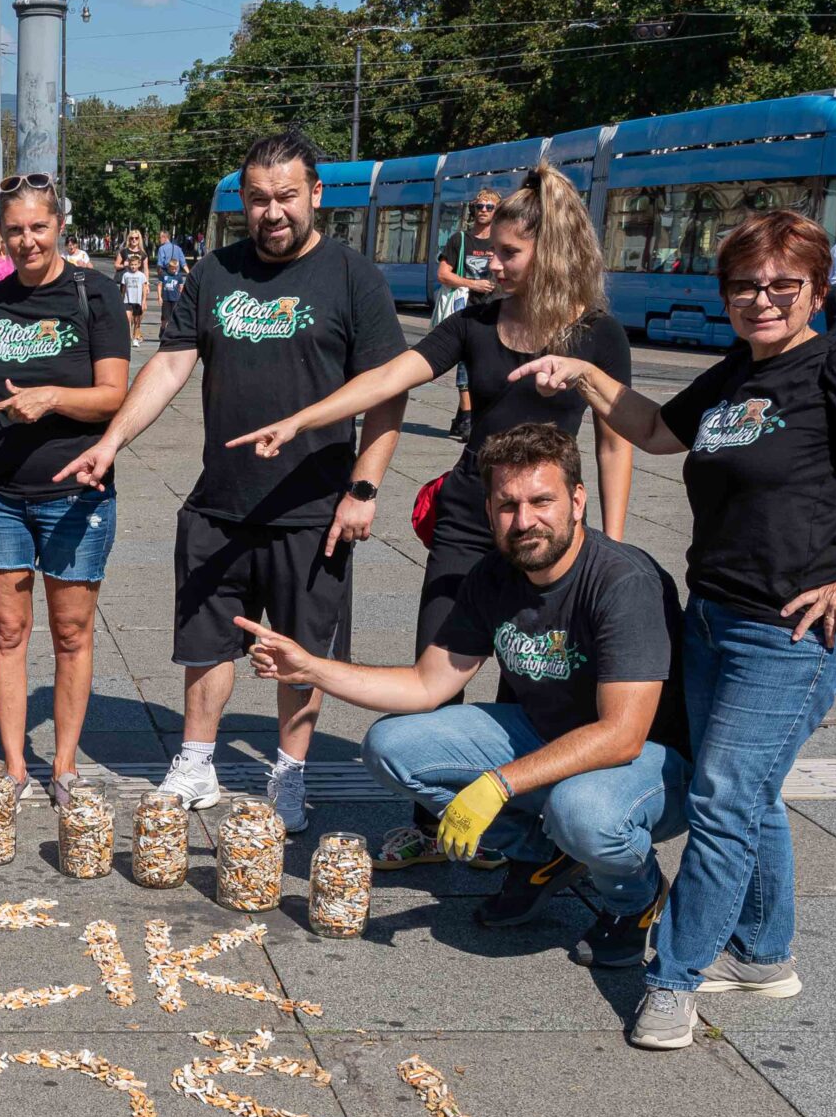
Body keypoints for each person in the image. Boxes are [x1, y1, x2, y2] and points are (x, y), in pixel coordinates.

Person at [512, 208, 836, 1049]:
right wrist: (581, 373)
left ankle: (675, 976)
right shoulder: (734, 373)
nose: (762, 299)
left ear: (818, 291)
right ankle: (763, 951)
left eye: (782, 285)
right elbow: (651, 431)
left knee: (723, 798)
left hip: (787, 633)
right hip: (714, 618)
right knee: (749, 795)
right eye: (745, 285)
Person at [227, 165, 634, 849]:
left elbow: (616, 444)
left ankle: (515, 826)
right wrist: (304, 418)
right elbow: (393, 376)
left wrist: (610, 549)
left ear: (552, 251)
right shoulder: (475, 324)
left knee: (535, 677)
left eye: (508, 252)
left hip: (549, 527)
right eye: (490, 250)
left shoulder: (597, 335)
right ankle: (428, 820)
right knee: (438, 667)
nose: (489, 263)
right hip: (470, 515)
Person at [239, 423, 688, 966]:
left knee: (582, 810)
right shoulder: (495, 574)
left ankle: (636, 900)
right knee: (390, 745)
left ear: (577, 499)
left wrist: (498, 784)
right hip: (554, 737)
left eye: (541, 502)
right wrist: (311, 667)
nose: (524, 522)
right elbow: (428, 684)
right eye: (507, 505)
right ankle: (542, 854)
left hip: (653, 764)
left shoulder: (621, 581)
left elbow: (622, 735)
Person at [59, 130, 408, 824]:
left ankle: (289, 773)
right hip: (221, 501)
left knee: (299, 655)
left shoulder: (351, 276)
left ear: (315, 194)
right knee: (205, 644)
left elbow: (388, 388)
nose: (271, 211)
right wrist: (114, 439)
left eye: (285, 196)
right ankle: (195, 761)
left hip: (313, 508)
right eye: (257, 199)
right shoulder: (215, 273)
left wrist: (364, 487)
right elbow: (169, 364)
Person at [0, 175, 131, 806]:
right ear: (0, 235)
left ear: (59, 226)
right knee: (6, 630)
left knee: (70, 633)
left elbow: (116, 396)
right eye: (14, 230)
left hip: (75, 492)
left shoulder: (97, 294)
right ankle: (12, 766)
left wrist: (52, 397)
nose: (27, 240)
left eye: (38, 227)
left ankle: (62, 765)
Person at [434, 189, 502, 440]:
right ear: (472, 210)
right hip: (466, 310)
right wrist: (473, 284)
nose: (483, 210)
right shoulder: (460, 240)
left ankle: (463, 415)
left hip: (496, 309)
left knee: (486, 365)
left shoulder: (501, 240)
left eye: (489, 206)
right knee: (465, 362)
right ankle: (468, 419)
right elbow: (443, 274)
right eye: (479, 206)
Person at [154, 228, 188, 318]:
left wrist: (159, 275)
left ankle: (165, 321)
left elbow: (160, 264)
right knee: (176, 297)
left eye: (159, 237)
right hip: (176, 276)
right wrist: (189, 274)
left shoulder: (162, 248)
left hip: (166, 274)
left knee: (166, 300)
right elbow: (183, 263)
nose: (159, 239)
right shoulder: (178, 248)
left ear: (164, 237)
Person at [119, 252, 148, 331]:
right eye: (132, 264)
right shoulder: (125, 275)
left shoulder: (141, 275)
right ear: (129, 264)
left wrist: (144, 300)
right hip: (127, 300)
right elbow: (123, 288)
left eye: (135, 265)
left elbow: (144, 288)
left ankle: (136, 335)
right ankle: (129, 338)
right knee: (128, 319)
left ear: (139, 265)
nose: (133, 266)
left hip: (137, 301)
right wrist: (121, 299)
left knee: (136, 320)